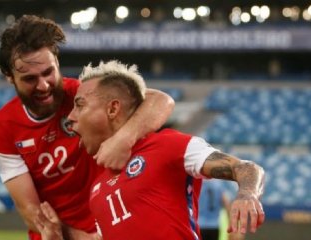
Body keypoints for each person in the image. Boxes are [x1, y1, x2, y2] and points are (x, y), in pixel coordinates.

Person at [0, 15, 174, 240]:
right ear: (10, 78)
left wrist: (123, 138)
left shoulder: (85, 95)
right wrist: (80, 237)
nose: (43, 85)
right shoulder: (2, 128)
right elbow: (30, 210)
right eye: (30, 79)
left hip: (113, 229)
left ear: (57, 62)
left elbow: (161, 101)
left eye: (48, 72)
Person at [40, 60, 265, 240]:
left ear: (112, 108)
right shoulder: (98, 187)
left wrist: (247, 194)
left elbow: (244, 167)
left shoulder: (169, 145)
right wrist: (61, 233)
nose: (70, 117)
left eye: (79, 105)